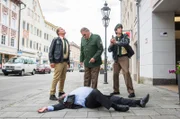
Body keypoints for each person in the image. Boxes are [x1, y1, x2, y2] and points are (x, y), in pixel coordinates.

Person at [37, 87, 150, 113]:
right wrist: (47, 108)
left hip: (97, 97)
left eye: (62, 95)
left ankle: (139, 102)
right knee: (96, 91)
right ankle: (115, 107)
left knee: (114, 98)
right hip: (89, 101)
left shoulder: (73, 91)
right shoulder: (67, 100)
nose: (62, 95)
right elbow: (59, 106)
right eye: (61, 97)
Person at [108, 24, 135, 98]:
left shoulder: (125, 36)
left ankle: (131, 91)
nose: (121, 29)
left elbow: (126, 43)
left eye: (121, 28)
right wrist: (111, 44)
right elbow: (109, 50)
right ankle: (116, 90)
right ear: (116, 30)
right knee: (115, 74)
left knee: (126, 72)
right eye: (119, 28)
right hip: (116, 58)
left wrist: (116, 43)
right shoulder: (114, 38)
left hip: (124, 57)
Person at [48, 27, 70, 100]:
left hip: (65, 61)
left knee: (63, 78)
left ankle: (61, 91)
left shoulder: (66, 41)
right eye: (61, 29)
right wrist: (51, 61)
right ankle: (52, 94)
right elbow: (51, 50)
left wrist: (68, 62)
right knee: (56, 77)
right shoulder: (55, 39)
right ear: (58, 32)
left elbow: (67, 52)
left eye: (63, 29)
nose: (63, 29)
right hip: (58, 61)